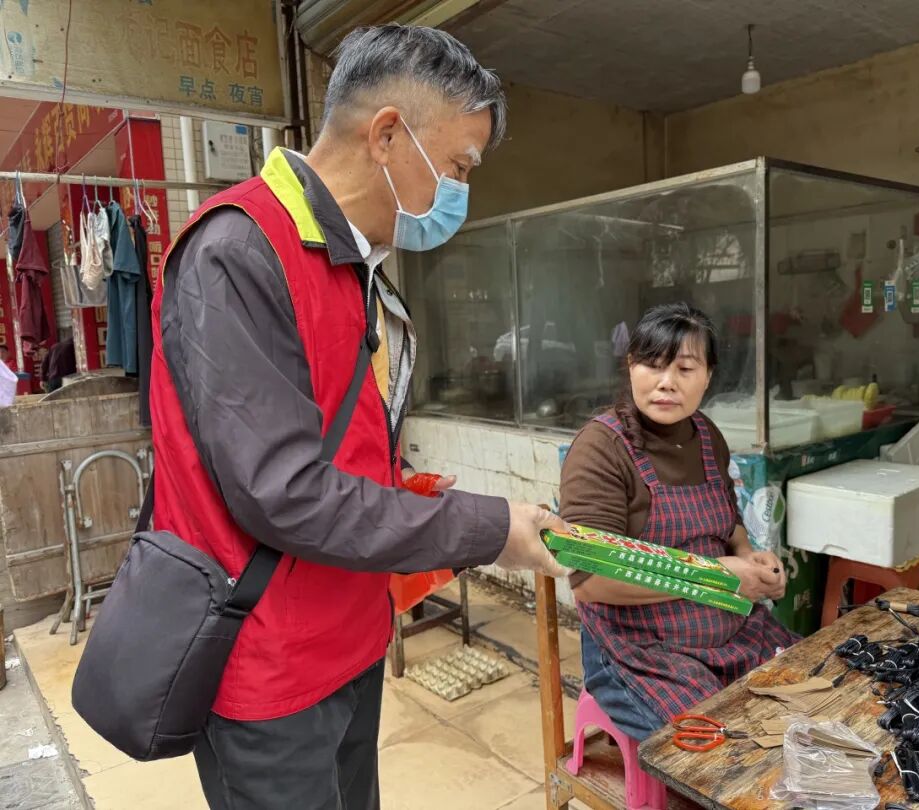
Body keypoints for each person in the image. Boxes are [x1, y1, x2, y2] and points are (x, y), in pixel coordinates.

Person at [149, 25, 567, 810]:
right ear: (386, 135)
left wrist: (405, 489)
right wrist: (486, 529)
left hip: (348, 640)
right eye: (457, 166)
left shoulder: (353, 266)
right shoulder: (238, 252)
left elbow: (336, 454)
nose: (459, 191)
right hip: (268, 669)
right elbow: (284, 492)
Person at [560, 303, 799, 741]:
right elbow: (590, 580)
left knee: (811, 694)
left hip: (731, 629)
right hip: (640, 651)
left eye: (685, 368)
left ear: (708, 376)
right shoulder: (600, 448)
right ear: (631, 366)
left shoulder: (706, 435)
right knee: (726, 751)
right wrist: (716, 577)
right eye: (652, 365)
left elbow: (728, 523)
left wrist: (750, 557)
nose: (667, 382)